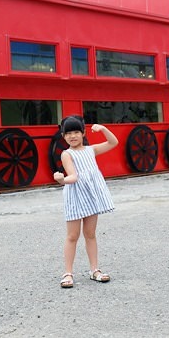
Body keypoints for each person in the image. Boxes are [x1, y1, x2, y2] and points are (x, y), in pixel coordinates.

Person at [53, 115, 118, 289]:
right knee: (72, 236)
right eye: (68, 133)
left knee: (90, 234)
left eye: (76, 132)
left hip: (91, 195)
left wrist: (103, 129)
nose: (72, 136)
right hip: (75, 197)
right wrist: (62, 180)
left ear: (83, 133)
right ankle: (68, 273)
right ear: (63, 135)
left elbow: (113, 143)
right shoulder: (67, 154)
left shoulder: (91, 150)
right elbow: (73, 177)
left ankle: (94, 270)